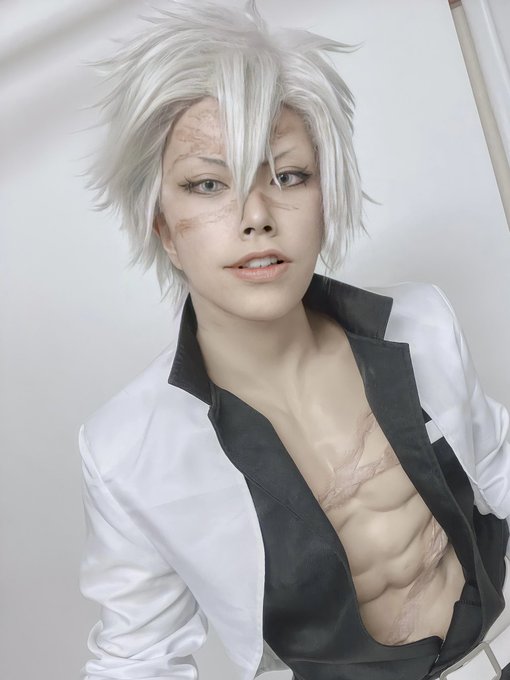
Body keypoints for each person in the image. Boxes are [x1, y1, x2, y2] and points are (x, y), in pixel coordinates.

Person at [78, 1, 510, 679]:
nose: (256, 216)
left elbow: (498, 466)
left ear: (324, 196)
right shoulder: (128, 452)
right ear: (163, 228)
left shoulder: (421, 321)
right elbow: (136, 658)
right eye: (208, 184)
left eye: (288, 176)